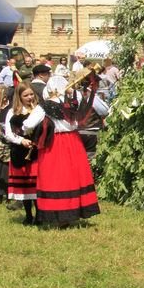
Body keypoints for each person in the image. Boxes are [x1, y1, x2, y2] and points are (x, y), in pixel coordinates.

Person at [20, 74, 109, 228]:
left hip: (55, 143)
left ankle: (61, 217)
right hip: (74, 141)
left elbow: (28, 124)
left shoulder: (45, 106)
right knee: (73, 177)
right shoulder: (75, 102)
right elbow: (80, 95)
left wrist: (24, 126)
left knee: (57, 178)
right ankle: (69, 215)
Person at [4, 82, 40, 226]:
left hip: (36, 152)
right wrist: (21, 140)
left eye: (31, 94)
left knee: (35, 186)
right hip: (20, 152)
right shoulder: (12, 112)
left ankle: (39, 215)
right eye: (26, 95)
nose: (29, 97)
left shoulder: (38, 110)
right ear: (19, 97)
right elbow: (8, 133)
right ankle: (28, 215)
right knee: (24, 187)